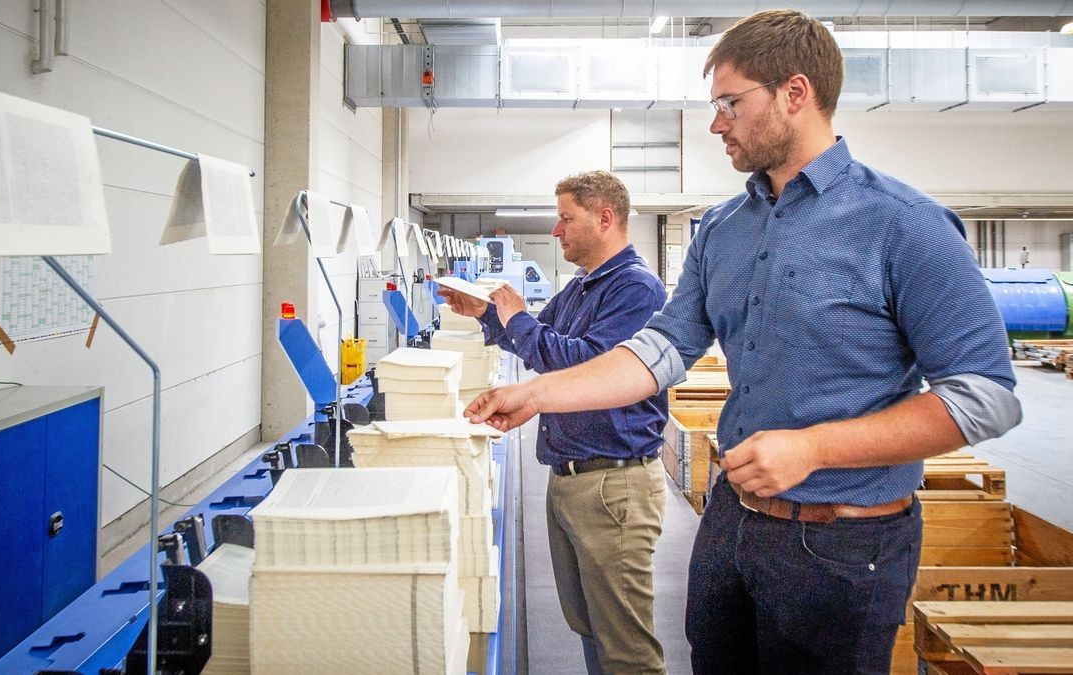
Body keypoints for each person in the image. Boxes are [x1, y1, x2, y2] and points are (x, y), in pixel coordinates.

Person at [465, 10, 1022, 673]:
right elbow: (660, 350)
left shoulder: (904, 226)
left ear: (795, 93)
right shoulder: (724, 229)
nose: (716, 123)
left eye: (730, 102)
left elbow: (986, 395)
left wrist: (814, 447)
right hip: (732, 520)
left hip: (845, 539)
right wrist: (538, 392)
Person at [438, 170, 669, 674]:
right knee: (590, 625)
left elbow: (578, 363)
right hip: (570, 477)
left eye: (566, 218)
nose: (557, 230)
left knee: (625, 645)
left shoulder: (636, 290)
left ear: (604, 218)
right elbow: (539, 338)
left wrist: (517, 318)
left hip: (613, 484)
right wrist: (484, 314)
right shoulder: (584, 285)